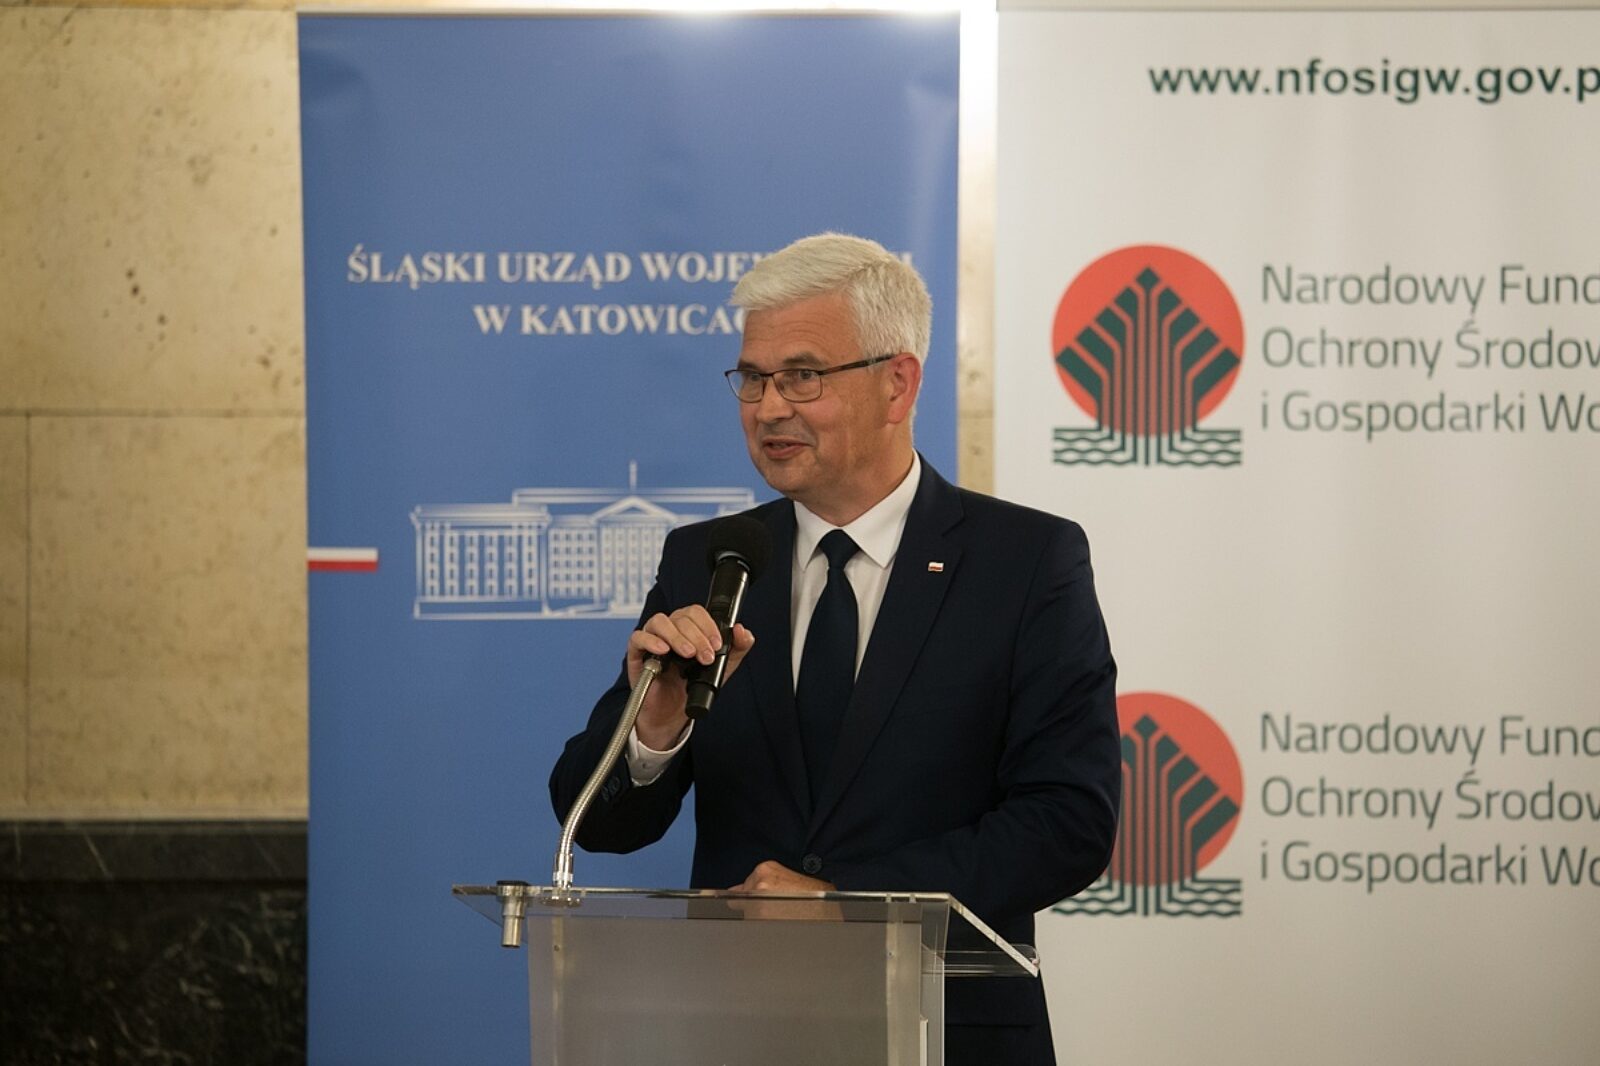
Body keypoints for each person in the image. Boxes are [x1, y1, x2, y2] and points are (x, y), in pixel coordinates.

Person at [550, 232, 1119, 1064]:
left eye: (802, 376)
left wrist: (845, 902)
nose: (767, 408)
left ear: (899, 384)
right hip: (739, 1032)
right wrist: (655, 731)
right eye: (752, 378)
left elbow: (1069, 821)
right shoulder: (710, 561)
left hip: (948, 1034)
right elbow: (596, 822)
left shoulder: (1026, 563)